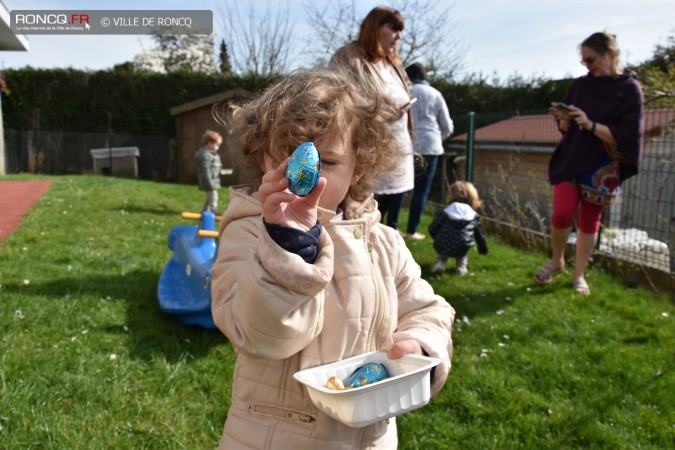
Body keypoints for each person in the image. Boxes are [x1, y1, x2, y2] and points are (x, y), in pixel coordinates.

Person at [210, 69, 455, 449]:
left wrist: (420, 344)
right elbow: (262, 336)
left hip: (369, 437)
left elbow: (427, 307)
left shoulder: (384, 241)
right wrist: (287, 244)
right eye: (286, 156)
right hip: (275, 436)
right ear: (261, 159)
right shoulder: (251, 233)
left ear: (359, 166)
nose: (302, 174)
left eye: (326, 161)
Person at [535, 31, 644, 295]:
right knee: (561, 213)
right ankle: (557, 260)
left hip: (603, 166)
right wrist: (564, 119)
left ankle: (579, 275)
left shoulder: (630, 90)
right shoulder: (581, 85)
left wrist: (590, 124)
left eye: (591, 59)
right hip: (572, 156)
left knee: (589, 222)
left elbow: (629, 134)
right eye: (583, 60)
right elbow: (566, 129)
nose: (586, 65)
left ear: (609, 54)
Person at [329, 6, 414, 231]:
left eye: (400, 30)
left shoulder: (394, 63)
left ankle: (386, 262)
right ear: (374, 28)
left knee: (386, 226)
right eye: (393, 29)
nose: (399, 36)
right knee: (359, 221)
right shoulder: (349, 57)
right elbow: (337, 99)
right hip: (368, 158)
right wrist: (382, 111)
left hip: (397, 154)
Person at [403, 62, 454, 240]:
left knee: (401, 187)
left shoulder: (405, 92)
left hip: (406, 144)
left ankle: (390, 226)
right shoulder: (436, 94)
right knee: (421, 190)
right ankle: (411, 230)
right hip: (431, 146)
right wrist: (439, 138)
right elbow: (447, 125)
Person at [429, 181, 488, 276]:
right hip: (462, 245)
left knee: (443, 248)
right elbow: (479, 234)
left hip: (443, 242)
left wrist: (436, 237)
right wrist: (482, 249)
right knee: (462, 250)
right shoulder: (473, 215)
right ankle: (461, 268)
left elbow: (433, 227)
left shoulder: (446, 211)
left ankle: (440, 263)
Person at [194, 130, 223, 213]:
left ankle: (204, 211)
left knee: (208, 197)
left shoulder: (211, 154)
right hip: (209, 181)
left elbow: (214, 165)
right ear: (210, 143)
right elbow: (205, 170)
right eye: (217, 145)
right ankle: (214, 211)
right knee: (213, 196)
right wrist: (209, 183)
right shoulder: (206, 155)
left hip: (213, 180)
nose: (218, 147)